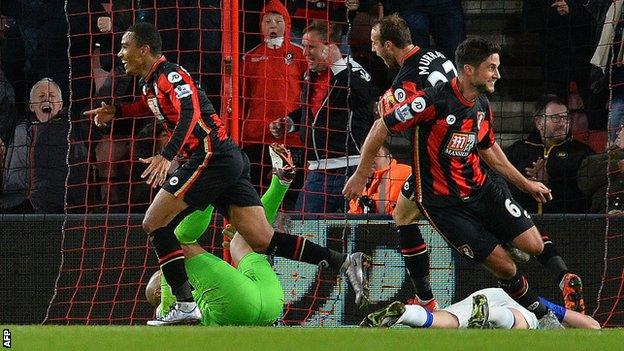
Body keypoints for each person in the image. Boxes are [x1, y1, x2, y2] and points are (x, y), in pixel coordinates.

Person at [84, 22, 370, 325]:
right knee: (261, 239)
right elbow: (151, 105)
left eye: (125, 46)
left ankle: (184, 303)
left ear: (144, 49)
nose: (120, 53)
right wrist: (118, 111)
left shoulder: (172, 74)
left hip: (210, 156)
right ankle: (342, 262)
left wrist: (167, 156)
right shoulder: (150, 83)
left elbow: (190, 112)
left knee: (154, 221)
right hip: (224, 160)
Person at [343, 37, 585, 328]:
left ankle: (562, 278)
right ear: (468, 70)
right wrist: (361, 173)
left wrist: (524, 183)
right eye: (491, 68)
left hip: (482, 189)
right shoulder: (431, 102)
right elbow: (382, 124)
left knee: (533, 244)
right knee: (507, 267)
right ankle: (545, 317)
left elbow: (488, 148)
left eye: (497, 67)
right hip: (445, 205)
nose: (497, 74)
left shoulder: (482, 103)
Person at [347, 14, 459, 311]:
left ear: (388, 44)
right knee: (404, 214)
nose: (372, 50)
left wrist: (390, 104)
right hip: (461, 140)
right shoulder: (434, 54)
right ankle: (425, 299)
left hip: (438, 156)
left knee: (454, 227)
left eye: (374, 44)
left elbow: (393, 123)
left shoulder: (406, 77)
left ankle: (428, 299)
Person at [147, 143, 295, 326]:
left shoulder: (198, 296)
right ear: (158, 293)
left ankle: (280, 180)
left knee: (242, 240)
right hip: (242, 304)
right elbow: (171, 259)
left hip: (271, 306)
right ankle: (211, 187)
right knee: (174, 242)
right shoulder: (164, 310)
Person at [270, 20, 375, 214]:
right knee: (305, 229)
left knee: (353, 233)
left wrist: (338, 66)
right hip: (316, 173)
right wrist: (291, 123)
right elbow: (309, 112)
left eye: (311, 47)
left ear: (330, 47)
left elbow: (366, 100)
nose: (304, 53)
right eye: (303, 46)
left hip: (349, 169)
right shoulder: (309, 76)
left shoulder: (353, 72)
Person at [241, 0, 306, 206]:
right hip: (257, 139)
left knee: (287, 197)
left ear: (287, 25)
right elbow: (242, 100)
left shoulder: (300, 55)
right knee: (257, 197)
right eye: (267, 20)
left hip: (291, 139)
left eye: (279, 20)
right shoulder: (249, 58)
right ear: (260, 25)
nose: (273, 25)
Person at [505, 94, 593, 214]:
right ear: (538, 122)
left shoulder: (581, 152)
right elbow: (502, 188)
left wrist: (550, 182)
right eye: (556, 118)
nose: (563, 123)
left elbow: (586, 196)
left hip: (566, 223)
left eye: (566, 118)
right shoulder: (517, 150)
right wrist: (526, 183)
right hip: (524, 223)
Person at [1, 78, 77, 213]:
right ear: (31, 105)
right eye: (41, 96)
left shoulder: (73, 129)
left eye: (52, 96)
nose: (46, 99)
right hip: (14, 207)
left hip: (58, 210)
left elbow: (102, 108)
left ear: (60, 104)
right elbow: (2, 104)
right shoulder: (15, 127)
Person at [361, 288, 601, 330]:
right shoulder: (548, 310)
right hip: (520, 305)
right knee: (522, 324)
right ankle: (491, 315)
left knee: (448, 322)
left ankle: (404, 313)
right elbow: (593, 326)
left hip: (488, 294)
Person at [347, 142, 411, 215]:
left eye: (376, 154)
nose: (370, 160)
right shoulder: (361, 181)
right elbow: (354, 215)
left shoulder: (406, 173)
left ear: (389, 157)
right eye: (365, 156)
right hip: (370, 224)